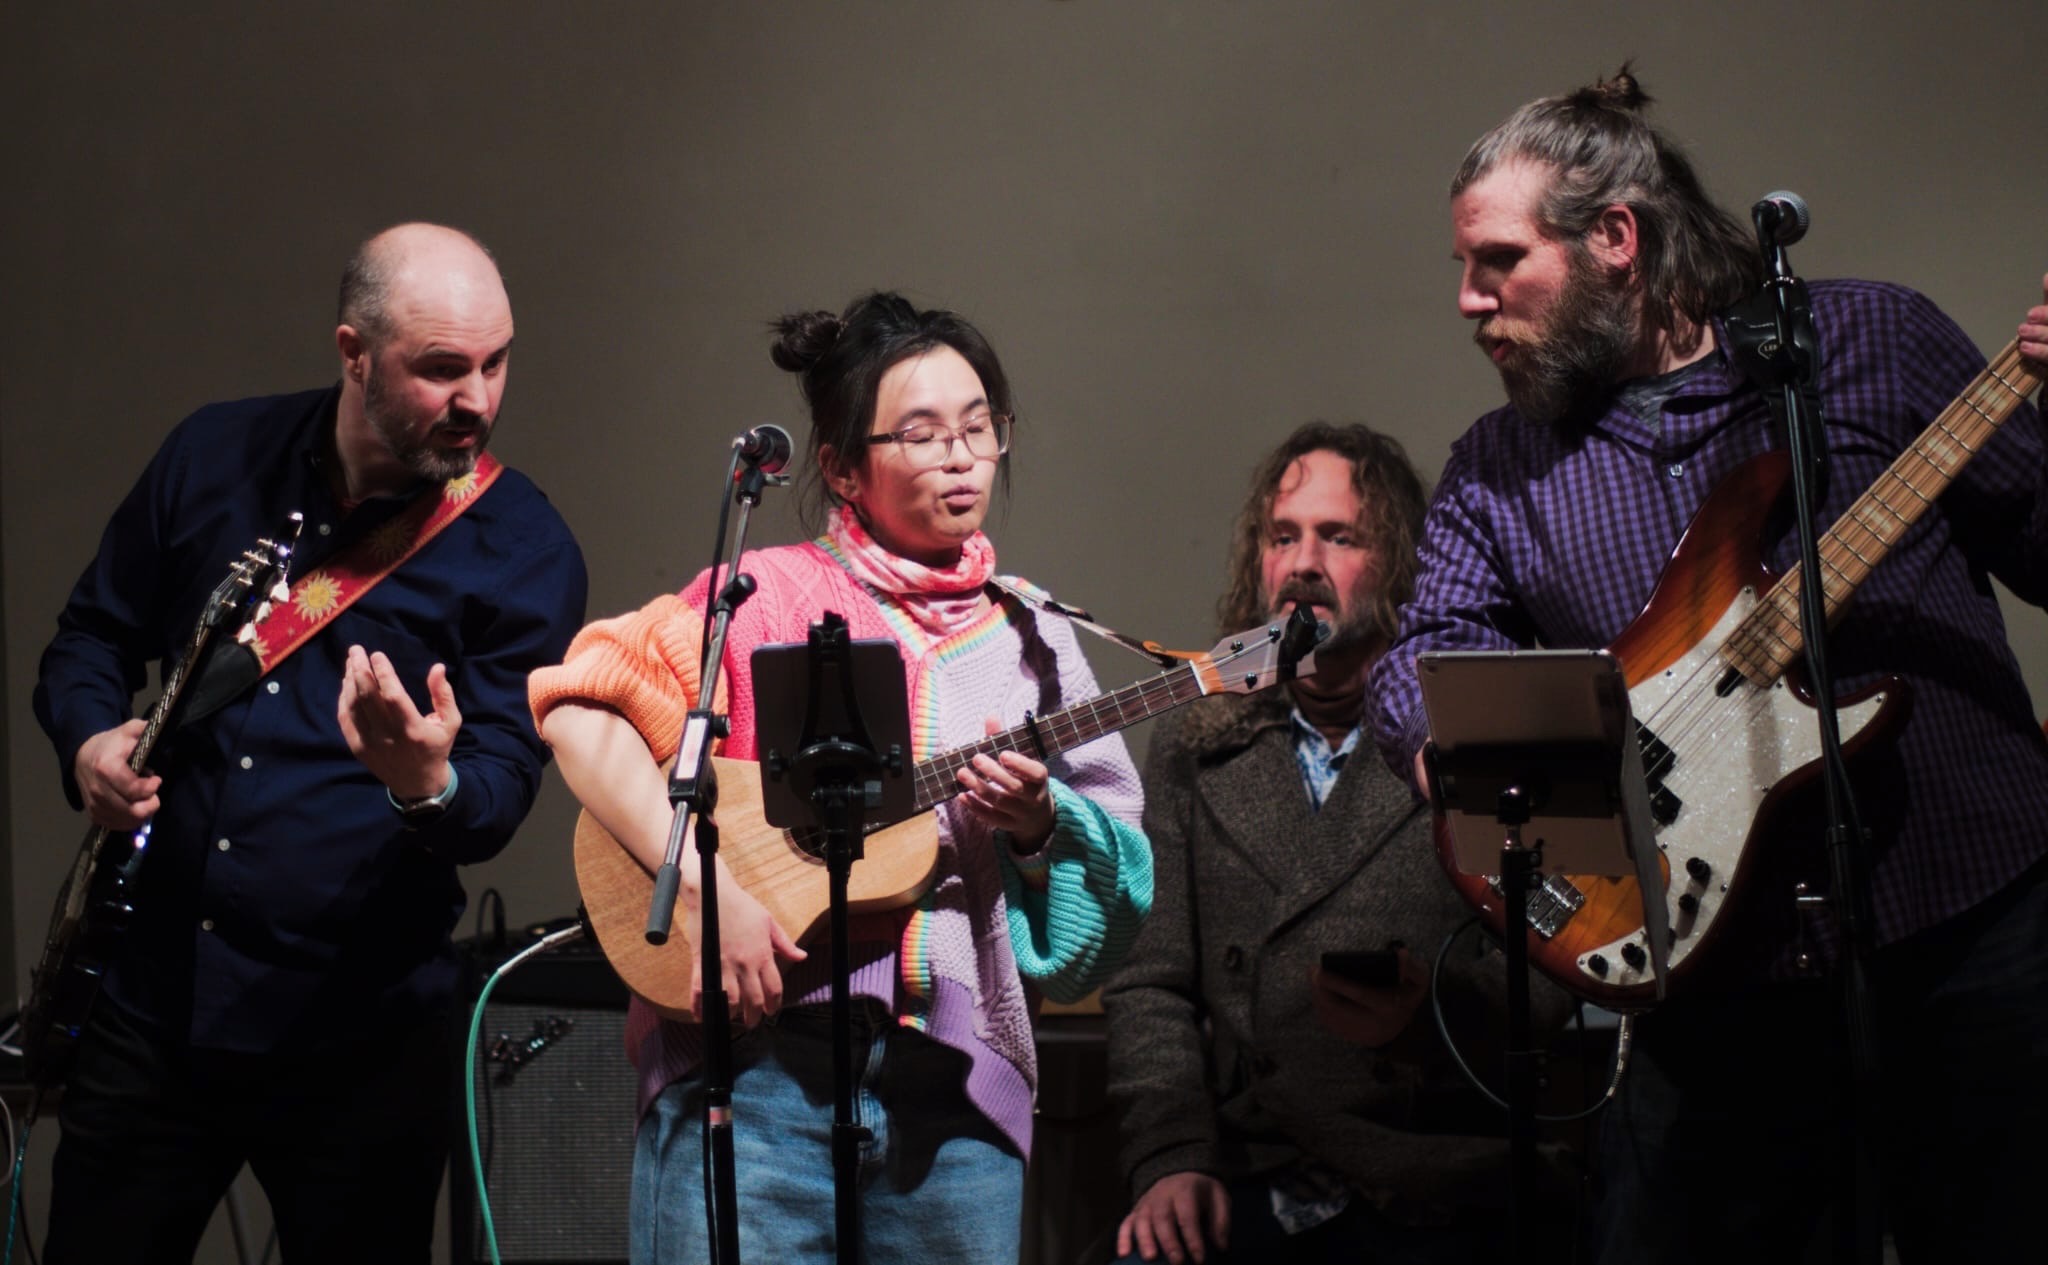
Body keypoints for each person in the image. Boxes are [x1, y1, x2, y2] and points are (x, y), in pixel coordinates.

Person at [1370, 67, 2048, 1263]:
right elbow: (1426, 653)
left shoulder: (1865, 342)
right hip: (1711, 979)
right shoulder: (1496, 464)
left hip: (1973, 931)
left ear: (1615, 240)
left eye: (1495, 261)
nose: (1468, 301)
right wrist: (1459, 754)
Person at [528, 290, 1152, 1264]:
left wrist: (1039, 823)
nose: (959, 454)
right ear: (840, 467)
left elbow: (1099, 906)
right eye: (920, 432)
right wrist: (710, 884)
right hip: (753, 1077)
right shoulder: (763, 594)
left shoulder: (1035, 637)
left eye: (979, 426)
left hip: (947, 1098)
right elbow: (578, 705)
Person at [31, 222, 588, 1264]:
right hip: (155, 1009)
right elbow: (92, 637)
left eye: (496, 361)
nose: (478, 398)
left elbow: (502, 787)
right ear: (352, 352)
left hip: (362, 1044)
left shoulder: (525, 548)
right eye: (440, 369)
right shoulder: (212, 454)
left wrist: (425, 782)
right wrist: (88, 746)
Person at [1102, 421, 1575, 1265]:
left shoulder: (1469, 735)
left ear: (1396, 561)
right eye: (1282, 537)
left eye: (1338, 536)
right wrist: (1171, 1156)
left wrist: (1428, 1021)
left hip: (1442, 1177)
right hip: (1252, 1168)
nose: (1303, 562)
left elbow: (1555, 972)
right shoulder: (1201, 744)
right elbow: (1152, 982)